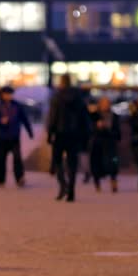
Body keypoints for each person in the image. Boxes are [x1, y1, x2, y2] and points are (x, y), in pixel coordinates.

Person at [47, 74, 90, 202]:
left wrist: (50, 132)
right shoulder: (78, 97)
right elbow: (84, 117)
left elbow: (52, 116)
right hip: (74, 134)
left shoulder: (57, 97)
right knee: (72, 163)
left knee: (57, 160)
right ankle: (71, 190)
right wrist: (85, 133)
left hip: (60, 133)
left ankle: (63, 184)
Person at [0, 86, 34, 187]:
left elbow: (24, 119)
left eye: (10, 94)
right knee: (1, 159)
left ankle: (19, 178)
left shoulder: (17, 105)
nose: (9, 96)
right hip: (2, 137)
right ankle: (1, 179)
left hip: (14, 136)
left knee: (17, 159)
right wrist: (0, 121)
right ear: (2, 94)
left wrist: (30, 132)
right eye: (7, 94)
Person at [89, 97, 121, 193]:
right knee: (96, 164)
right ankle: (97, 183)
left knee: (113, 163)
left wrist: (112, 133)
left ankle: (113, 181)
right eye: (103, 103)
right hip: (97, 143)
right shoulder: (94, 116)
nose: (105, 105)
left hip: (110, 143)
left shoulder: (114, 116)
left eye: (107, 103)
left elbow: (117, 131)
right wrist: (96, 127)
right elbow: (89, 129)